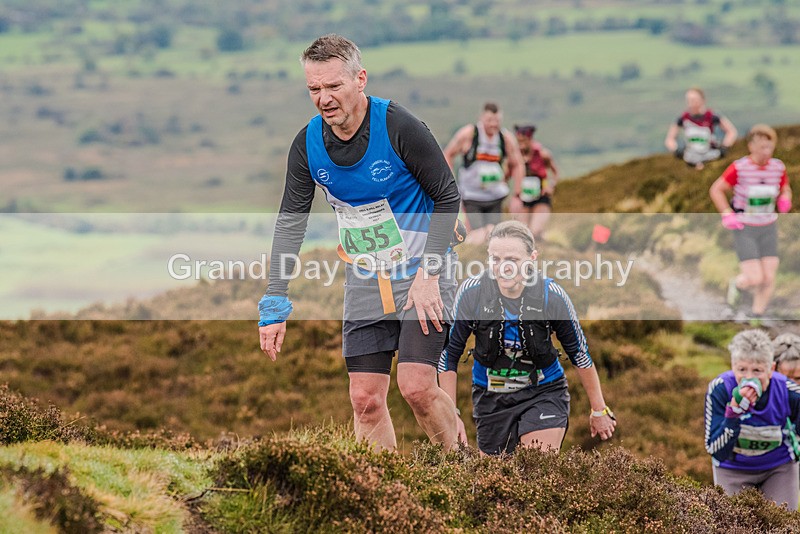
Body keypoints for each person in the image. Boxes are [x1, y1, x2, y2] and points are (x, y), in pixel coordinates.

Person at [258, 34, 462, 451]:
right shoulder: (308, 146)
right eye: (314, 89)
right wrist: (274, 301)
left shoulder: (399, 126)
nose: (324, 98)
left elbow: (447, 196)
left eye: (334, 86)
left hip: (423, 274)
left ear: (360, 79)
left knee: (417, 387)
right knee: (364, 400)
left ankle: (463, 475)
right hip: (367, 279)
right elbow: (290, 222)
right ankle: (382, 496)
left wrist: (429, 275)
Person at [438, 220, 616, 454]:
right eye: (495, 259)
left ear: (532, 258)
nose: (503, 268)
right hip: (490, 398)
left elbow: (580, 355)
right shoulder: (472, 293)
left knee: (534, 467)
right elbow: (448, 356)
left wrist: (598, 409)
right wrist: (451, 415)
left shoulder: (551, 296)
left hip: (543, 393)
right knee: (494, 483)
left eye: (512, 260)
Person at [704, 329, 800, 510]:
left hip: (778, 468)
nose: (749, 377)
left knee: (784, 524)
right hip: (731, 469)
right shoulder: (720, 389)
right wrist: (733, 416)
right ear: (733, 367)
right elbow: (714, 450)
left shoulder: (789, 391)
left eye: (757, 370)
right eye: (742, 369)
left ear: (771, 369)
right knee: (730, 524)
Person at [709, 124, 792, 322]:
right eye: (762, 147)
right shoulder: (739, 168)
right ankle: (734, 293)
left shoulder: (778, 167)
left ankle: (756, 316)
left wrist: (785, 198)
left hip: (768, 227)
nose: (767, 152)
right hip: (745, 228)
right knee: (754, 278)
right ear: (751, 147)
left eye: (770, 147)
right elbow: (716, 189)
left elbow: (785, 187)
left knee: (769, 277)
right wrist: (726, 213)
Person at [443, 102, 524, 244]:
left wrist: (517, 195)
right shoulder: (469, 134)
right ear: (481, 118)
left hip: (495, 196)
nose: (493, 124)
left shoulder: (505, 138)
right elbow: (448, 155)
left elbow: (518, 164)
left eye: (497, 121)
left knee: (495, 235)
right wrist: (451, 184)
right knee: (477, 235)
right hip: (471, 196)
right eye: (489, 120)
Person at [665, 87, 737, 170]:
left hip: (711, 157)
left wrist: (725, 146)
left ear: (702, 100)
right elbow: (669, 139)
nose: (691, 103)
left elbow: (732, 131)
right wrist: (676, 150)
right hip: (690, 159)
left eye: (694, 100)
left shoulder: (712, 116)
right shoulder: (683, 118)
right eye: (689, 100)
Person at [511, 124, 560, 240]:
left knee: (535, 230)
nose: (521, 144)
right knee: (523, 232)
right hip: (523, 198)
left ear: (530, 140)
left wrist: (551, 186)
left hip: (541, 197)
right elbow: (506, 174)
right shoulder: (515, 156)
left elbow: (555, 173)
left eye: (524, 141)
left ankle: (544, 243)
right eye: (519, 141)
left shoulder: (543, 154)